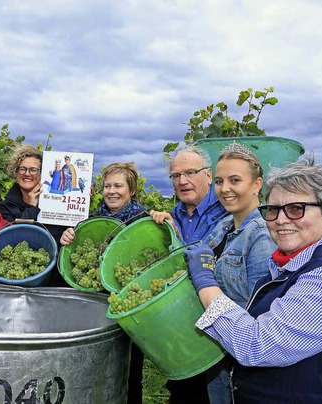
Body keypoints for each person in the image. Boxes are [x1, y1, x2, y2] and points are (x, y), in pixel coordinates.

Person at [185, 157, 322, 402]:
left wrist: (205, 282)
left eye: (296, 208)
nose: (281, 219)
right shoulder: (287, 266)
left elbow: (255, 344)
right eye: (273, 209)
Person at [60, 161, 147, 403]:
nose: (112, 191)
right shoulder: (91, 220)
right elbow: (79, 256)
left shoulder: (144, 220)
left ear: (131, 190)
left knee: (130, 368)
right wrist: (68, 237)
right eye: (107, 185)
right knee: (100, 365)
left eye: (119, 186)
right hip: (98, 305)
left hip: (130, 303)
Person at [198, 142, 277, 403]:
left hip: (239, 365)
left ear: (256, 185)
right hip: (218, 355)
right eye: (219, 181)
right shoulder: (224, 225)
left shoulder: (262, 235)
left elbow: (259, 313)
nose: (224, 189)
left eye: (235, 180)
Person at [149, 146, 228, 404]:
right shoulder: (177, 214)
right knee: (182, 390)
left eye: (190, 172)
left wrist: (177, 238)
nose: (182, 181)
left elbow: (205, 260)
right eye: (176, 176)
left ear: (208, 175)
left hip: (216, 326)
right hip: (180, 325)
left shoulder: (227, 212)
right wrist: (164, 234)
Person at [0, 145, 68, 286]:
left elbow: (72, 229)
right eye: (22, 169)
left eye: (33, 170)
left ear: (42, 173)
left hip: (56, 279)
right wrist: (31, 207)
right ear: (15, 172)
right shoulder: (5, 206)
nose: (27, 173)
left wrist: (83, 198)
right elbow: (14, 238)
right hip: (22, 278)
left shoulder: (57, 202)